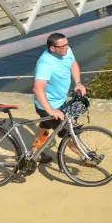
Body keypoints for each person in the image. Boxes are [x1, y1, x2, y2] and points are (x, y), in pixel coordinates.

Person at [32, 33, 87, 163]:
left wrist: (78, 83)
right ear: (52, 48)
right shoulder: (45, 64)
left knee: (44, 126)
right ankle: (87, 156)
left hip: (61, 101)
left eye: (67, 44)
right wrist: (50, 110)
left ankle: (34, 153)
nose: (66, 48)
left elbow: (73, 64)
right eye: (63, 46)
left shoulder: (65, 51)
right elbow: (37, 88)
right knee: (68, 134)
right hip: (48, 106)